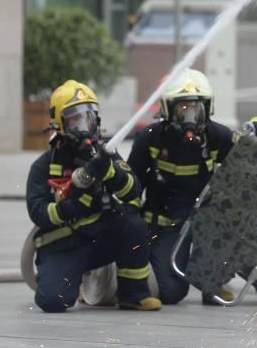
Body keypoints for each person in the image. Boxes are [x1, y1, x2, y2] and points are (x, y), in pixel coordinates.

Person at [26, 80, 161, 313]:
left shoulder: (105, 155)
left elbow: (133, 192)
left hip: (101, 241)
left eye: (88, 117)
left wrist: (110, 172)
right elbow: (38, 213)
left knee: (134, 224)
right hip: (64, 245)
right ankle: (65, 277)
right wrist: (73, 205)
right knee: (53, 301)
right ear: (59, 122)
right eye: (75, 119)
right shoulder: (44, 165)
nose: (83, 125)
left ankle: (133, 294)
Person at [128, 69, 235, 305]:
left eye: (196, 108)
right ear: (168, 109)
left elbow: (244, 175)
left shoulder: (219, 136)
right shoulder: (150, 138)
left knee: (233, 222)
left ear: (207, 108)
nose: (190, 116)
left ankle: (213, 282)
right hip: (167, 224)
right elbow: (131, 184)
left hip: (206, 221)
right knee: (171, 293)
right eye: (183, 108)